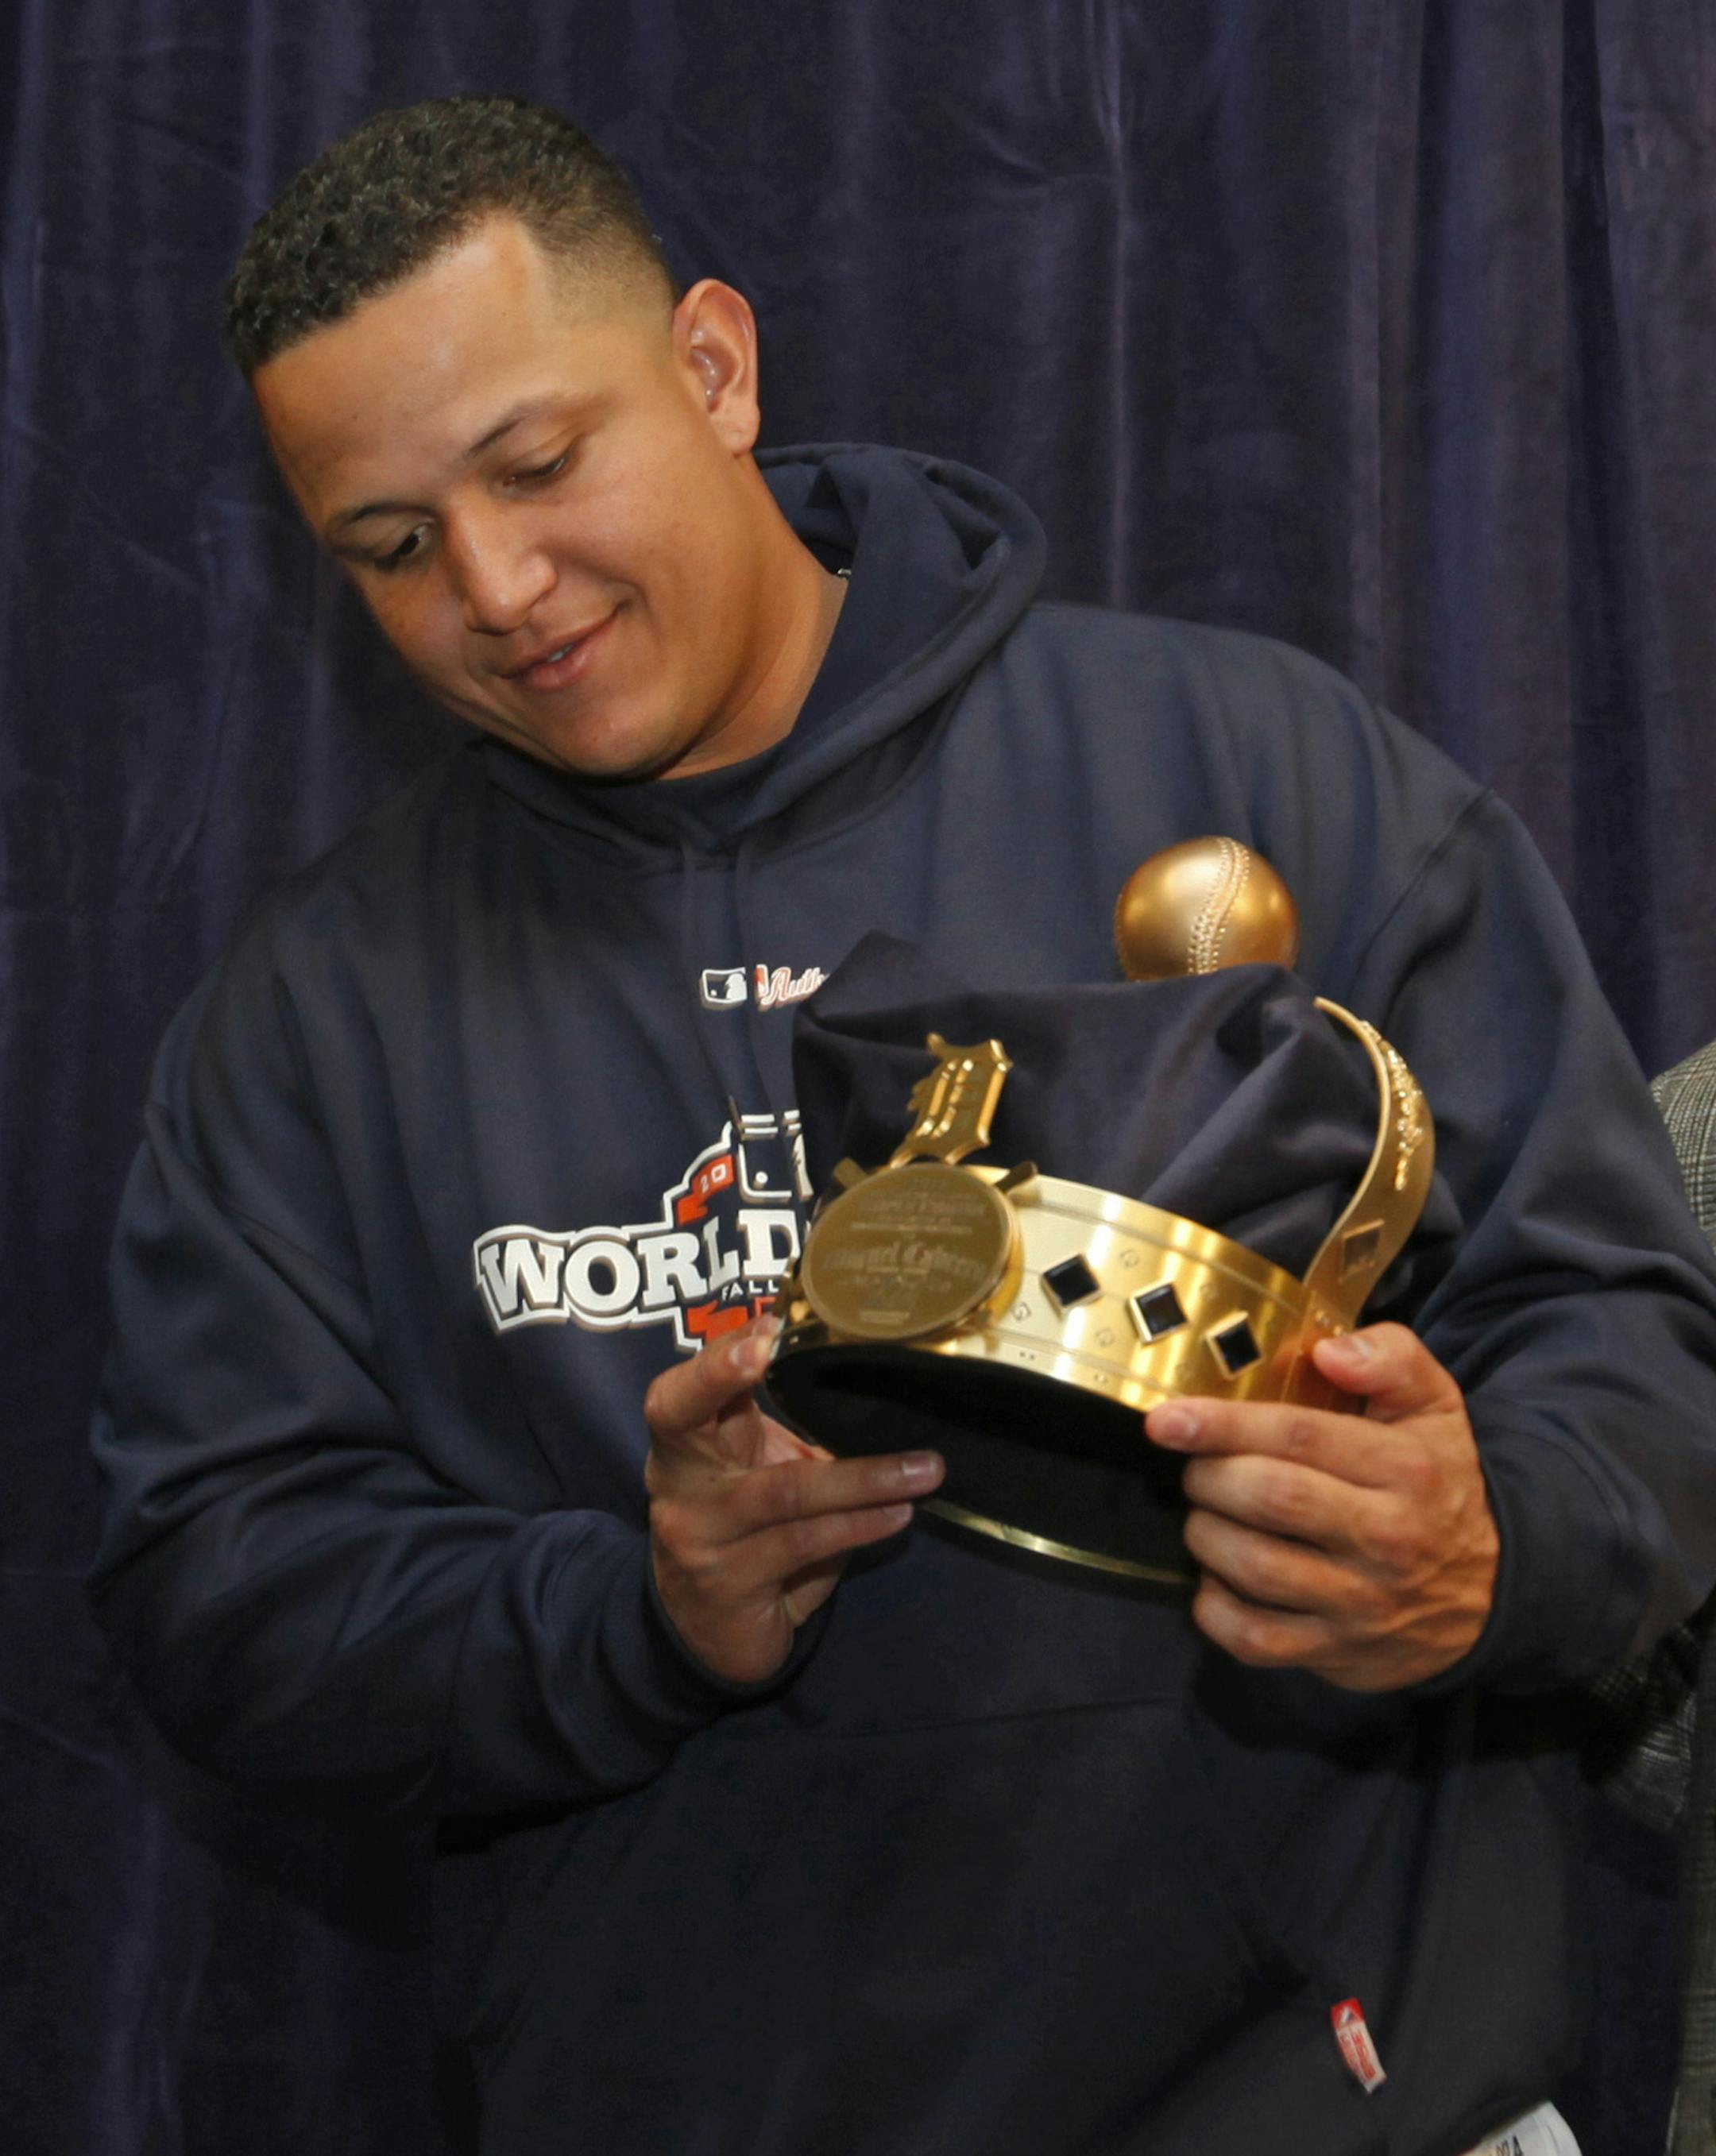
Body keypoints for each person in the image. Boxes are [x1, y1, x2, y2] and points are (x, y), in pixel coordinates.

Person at [87, 94, 1716, 2156]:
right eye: (392, 549)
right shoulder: (318, 1011)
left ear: (711, 365)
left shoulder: (1255, 764)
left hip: (1348, 2097)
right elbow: (217, 1592)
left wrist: (1485, 1545)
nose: (494, 588)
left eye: (537, 463)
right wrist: (631, 1617)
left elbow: (1633, 1338)